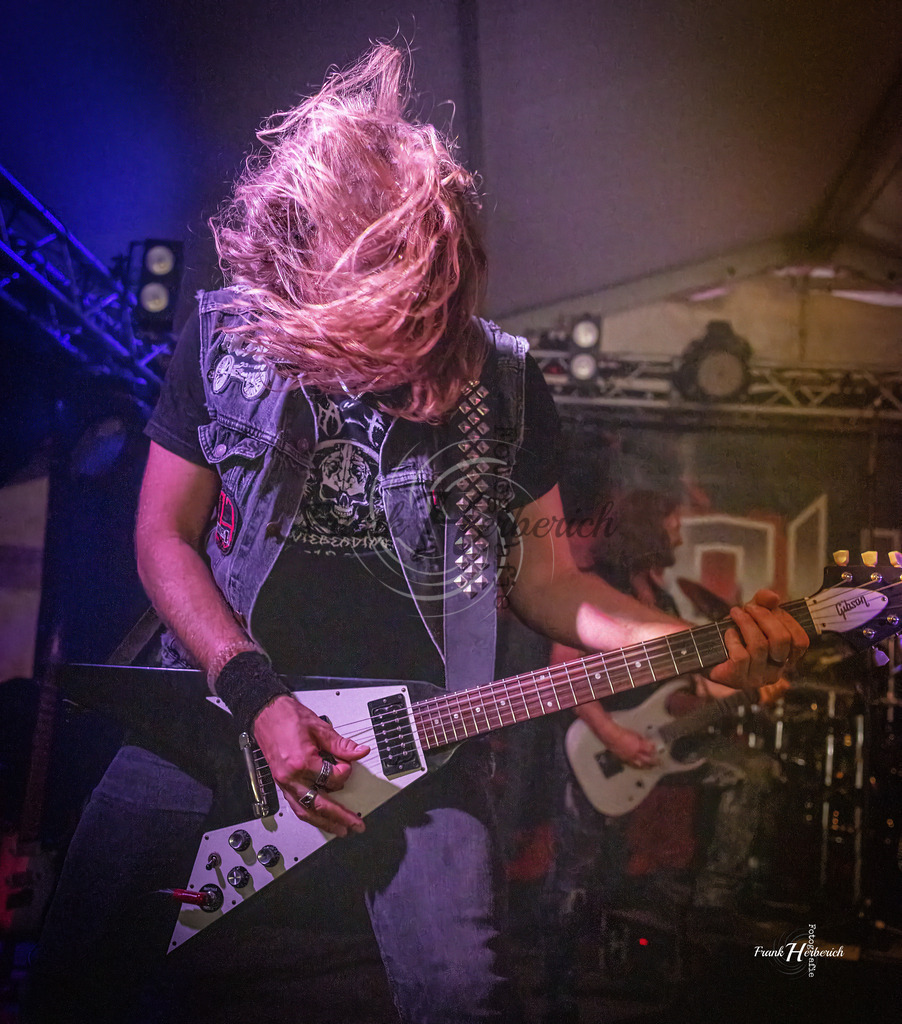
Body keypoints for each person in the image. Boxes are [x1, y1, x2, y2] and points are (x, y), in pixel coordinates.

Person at [23, 45, 807, 1024]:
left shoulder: (503, 383)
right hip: (208, 712)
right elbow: (162, 537)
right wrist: (256, 693)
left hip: (421, 739)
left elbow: (551, 584)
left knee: (463, 996)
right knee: (72, 977)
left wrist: (692, 644)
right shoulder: (226, 340)